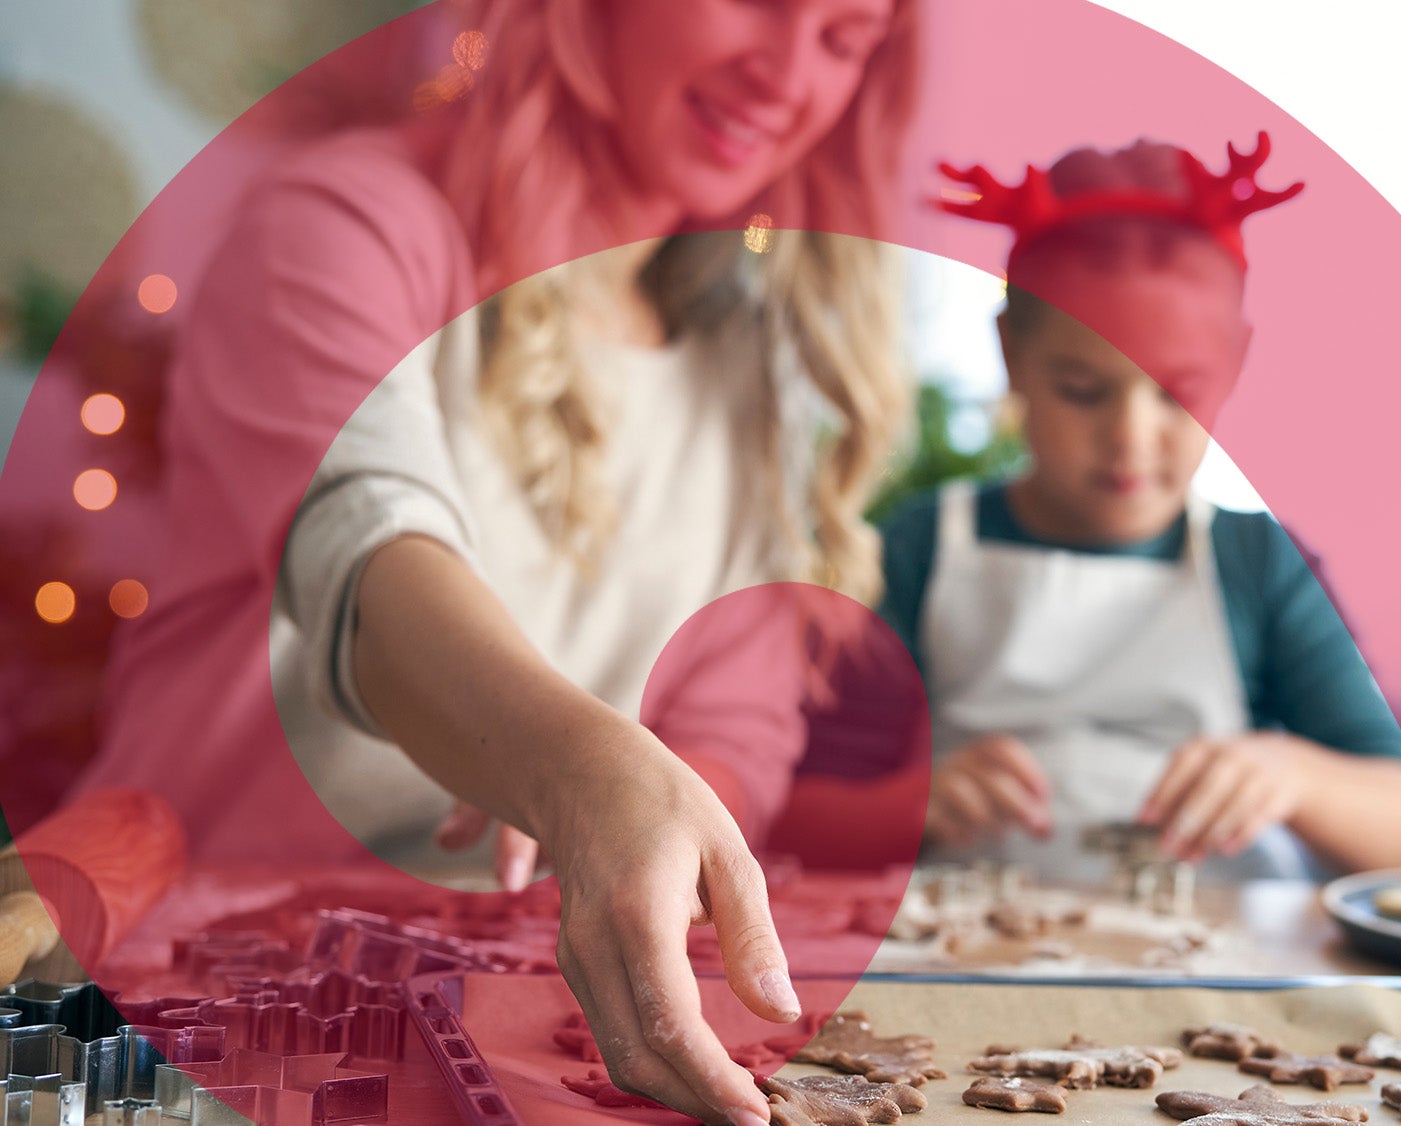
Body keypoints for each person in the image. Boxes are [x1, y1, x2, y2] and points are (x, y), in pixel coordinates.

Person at [77, 2, 919, 1123]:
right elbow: (369, 566)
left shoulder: (746, 365)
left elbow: (734, 727)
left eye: (844, 34)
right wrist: (565, 767)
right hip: (185, 999)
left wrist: (630, 835)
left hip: (494, 1006)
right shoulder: (345, 220)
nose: (786, 72)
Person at [878, 138, 1401, 880]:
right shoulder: (922, 544)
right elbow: (787, 802)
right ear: (1010, 355)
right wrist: (901, 808)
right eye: (1083, 391)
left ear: (1236, 365)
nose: (1129, 438)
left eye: (1176, 394)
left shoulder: (1258, 563)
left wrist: (1293, 774)